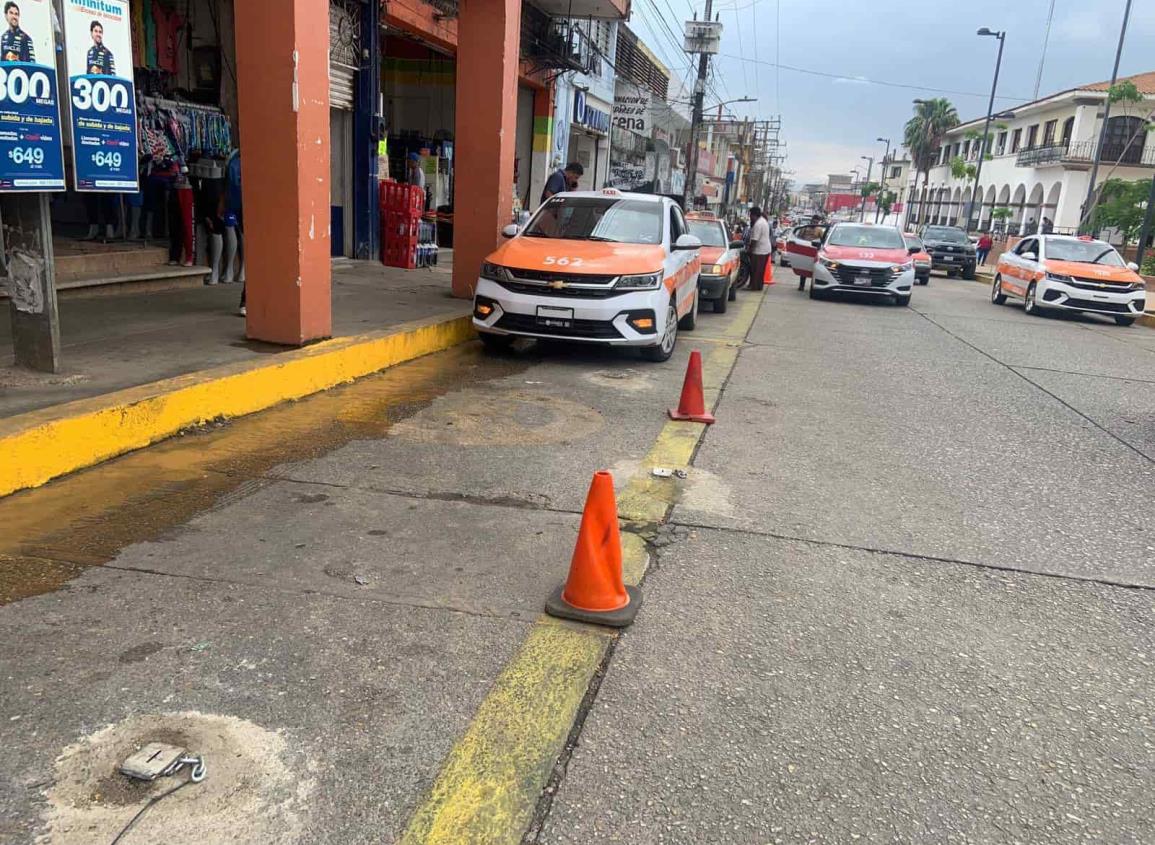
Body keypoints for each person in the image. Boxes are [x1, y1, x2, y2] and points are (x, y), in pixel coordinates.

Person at [746, 206, 773, 291]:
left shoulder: (758, 224)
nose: (750, 217)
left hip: (760, 251)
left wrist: (749, 250)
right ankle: (758, 286)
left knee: (756, 270)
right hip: (765, 249)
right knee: (760, 271)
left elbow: (754, 240)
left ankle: (755, 287)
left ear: (754, 215)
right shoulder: (763, 221)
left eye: (750, 215)